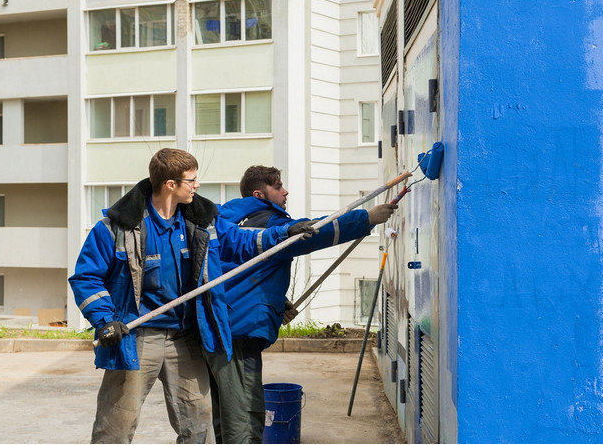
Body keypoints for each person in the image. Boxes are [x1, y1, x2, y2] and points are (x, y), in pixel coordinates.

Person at [68, 149, 314, 444]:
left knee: (199, 426)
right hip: (136, 337)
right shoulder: (117, 227)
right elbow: (86, 277)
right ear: (170, 184)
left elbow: (240, 240)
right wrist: (105, 320)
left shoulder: (201, 222)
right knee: (116, 425)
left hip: (184, 339)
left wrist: (285, 232)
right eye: (192, 180)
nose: (197, 186)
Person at [205, 165, 397, 443]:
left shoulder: (233, 221)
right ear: (259, 193)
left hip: (224, 324)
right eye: (278, 186)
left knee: (227, 412)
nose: (285, 191)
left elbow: (241, 270)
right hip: (238, 331)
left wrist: (277, 303)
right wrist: (365, 219)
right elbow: (311, 234)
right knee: (245, 415)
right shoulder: (266, 220)